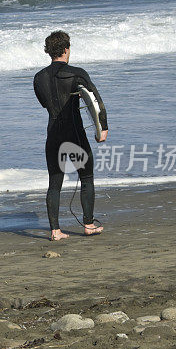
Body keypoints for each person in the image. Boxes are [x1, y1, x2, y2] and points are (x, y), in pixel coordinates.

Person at [33, 31, 108, 241]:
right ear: (66, 49)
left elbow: (44, 103)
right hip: (74, 135)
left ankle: (55, 231)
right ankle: (89, 224)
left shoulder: (39, 78)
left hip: (53, 136)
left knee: (54, 183)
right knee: (86, 177)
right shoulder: (77, 73)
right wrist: (103, 127)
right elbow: (95, 100)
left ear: (49, 52)